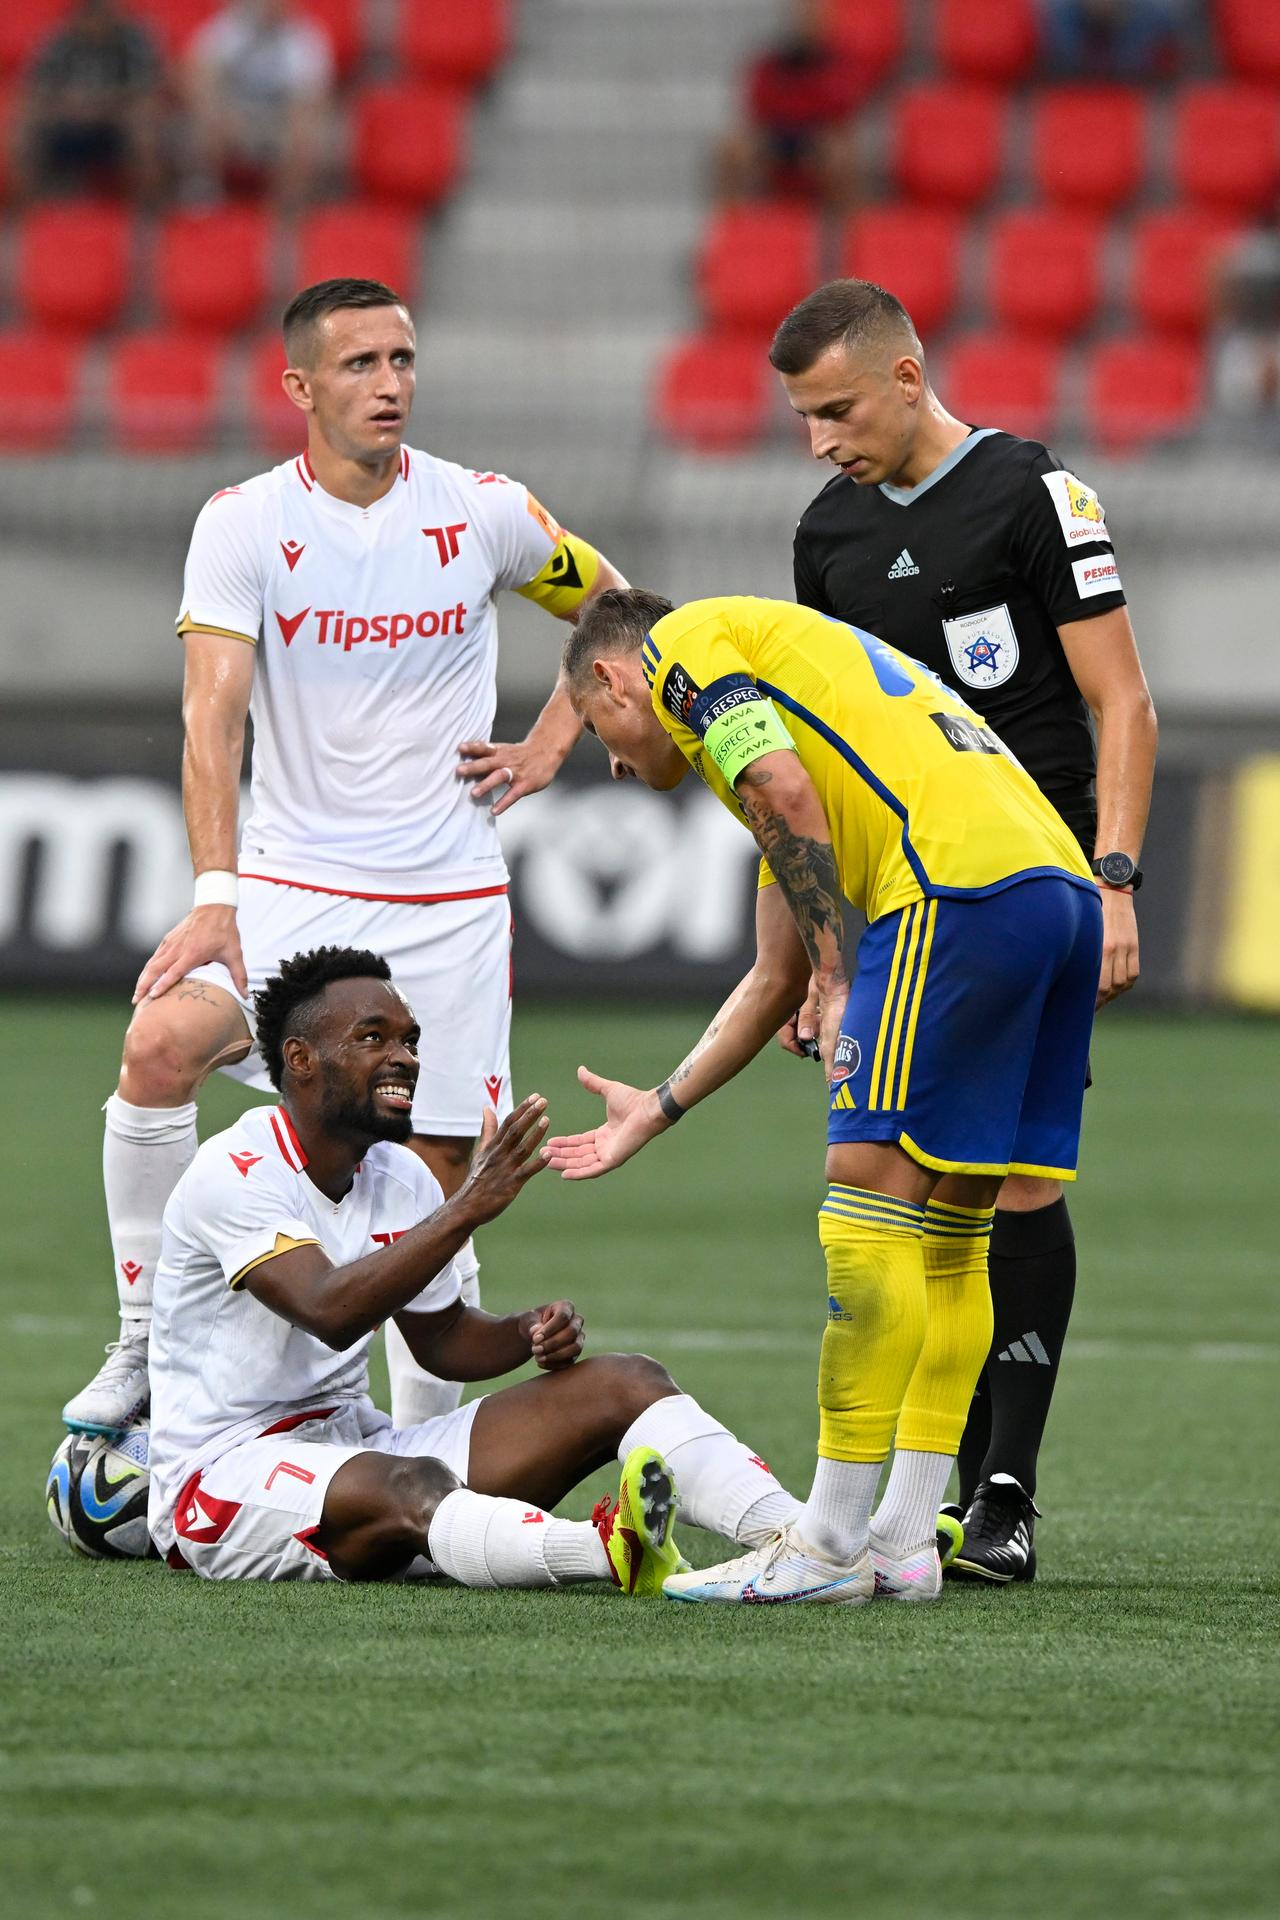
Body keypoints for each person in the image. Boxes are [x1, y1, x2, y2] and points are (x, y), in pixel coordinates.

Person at [62, 275, 628, 1442]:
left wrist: (552, 742)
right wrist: (215, 897)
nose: (390, 384)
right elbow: (211, 717)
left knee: (431, 1187)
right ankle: (142, 1346)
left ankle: (423, 1449)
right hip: (290, 887)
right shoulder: (244, 523)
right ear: (301, 386)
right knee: (159, 1044)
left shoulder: (483, 510)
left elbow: (620, 612)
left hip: (448, 900)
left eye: (403, 360)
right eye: (362, 364)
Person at [546, 588, 1103, 1608]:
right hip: (1052, 894)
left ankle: (825, 1544)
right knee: (953, 1227)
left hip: (950, 893)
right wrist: (657, 1107)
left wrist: (838, 975)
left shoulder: (682, 658)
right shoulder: (790, 678)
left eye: (598, 732)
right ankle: (898, 1542)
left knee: (863, 1206)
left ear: (610, 679)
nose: (617, 765)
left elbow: (782, 791)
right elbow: (769, 973)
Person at [768, 279, 1158, 1581]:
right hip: (903, 906)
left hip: (1037, 887)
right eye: (804, 419)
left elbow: (1124, 701)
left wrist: (1114, 879)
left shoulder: (1036, 495)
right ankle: (934, 1495)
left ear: (905, 373)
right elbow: (805, 760)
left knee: (1012, 1181)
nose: (821, 442)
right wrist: (807, 958)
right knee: (919, 1180)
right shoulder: (826, 537)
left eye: (835, 411)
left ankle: (1003, 1493)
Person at [148, 945, 803, 1588]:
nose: (402, 1057)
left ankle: (803, 1538)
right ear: (301, 1059)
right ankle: (601, 1551)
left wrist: (525, 1333)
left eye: (409, 1040)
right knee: (412, 1484)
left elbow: (441, 1338)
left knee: (626, 1383)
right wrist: (465, 1210)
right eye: (373, 1038)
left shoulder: (398, 1173)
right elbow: (330, 1311)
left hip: (350, 1443)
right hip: (222, 1477)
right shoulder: (234, 1169)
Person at [182, 0, 335, 208]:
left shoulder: (306, 38)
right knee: (202, 118)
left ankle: (285, 214)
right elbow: (198, 72)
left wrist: (291, 135)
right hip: (234, 113)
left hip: (281, 119)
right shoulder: (231, 26)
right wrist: (218, 112)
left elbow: (310, 102)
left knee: (305, 138)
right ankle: (206, 196)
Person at [9, 0, 164, 205]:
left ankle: (147, 213)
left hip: (117, 119)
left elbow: (148, 90)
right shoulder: (58, 40)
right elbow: (36, 89)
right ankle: (28, 216)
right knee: (23, 125)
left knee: (144, 123)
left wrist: (101, 103)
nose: (96, 22)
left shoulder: (133, 40)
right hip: (66, 117)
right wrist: (70, 104)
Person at [713, 0, 861, 211]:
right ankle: (732, 224)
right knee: (732, 150)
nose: (806, 24)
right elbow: (756, 107)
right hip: (775, 136)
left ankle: (846, 230)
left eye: (812, 19)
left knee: (839, 155)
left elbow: (844, 113)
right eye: (802, 18)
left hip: (817, 139)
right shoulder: (771, 63)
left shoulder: (839, 66)